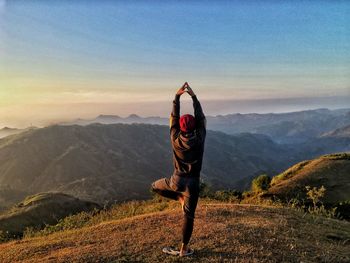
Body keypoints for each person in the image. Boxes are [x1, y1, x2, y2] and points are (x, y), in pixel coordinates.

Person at [151, 82, 206, 257]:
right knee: (188, 217)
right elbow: (201, 117)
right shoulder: (200, 137)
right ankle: (184, 249)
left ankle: (179, 198)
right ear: (195, 127)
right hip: (192, 185)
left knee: (154, 186)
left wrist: (177, 97)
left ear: (180, 127)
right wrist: (194, 97)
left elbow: (173, 118)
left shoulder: (174, 137)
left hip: (176, 181)